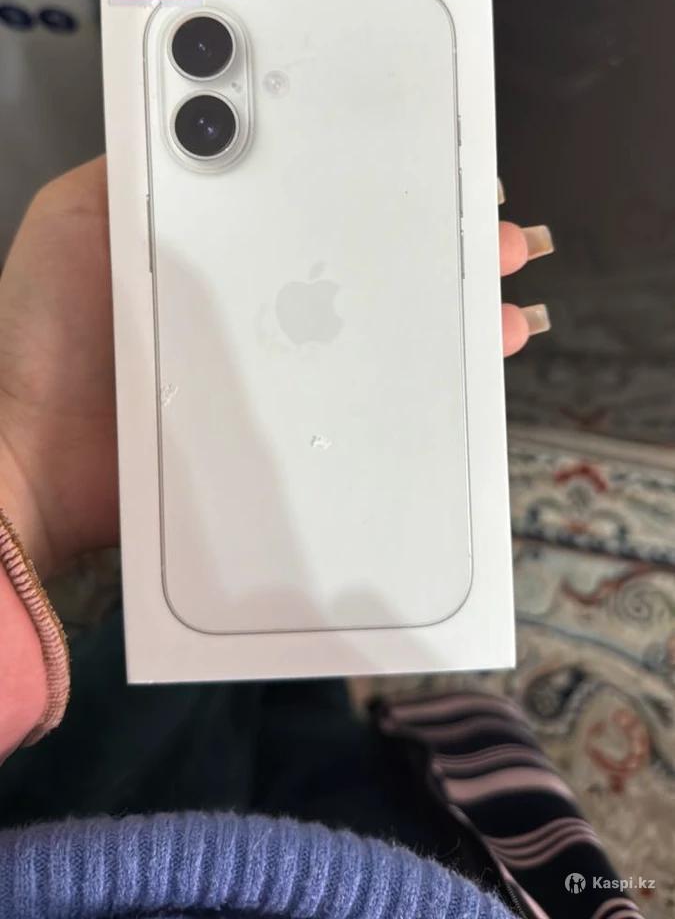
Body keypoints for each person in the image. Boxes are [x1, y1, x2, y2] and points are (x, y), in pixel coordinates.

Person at [0, 159, 629, 919]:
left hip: (73, 860)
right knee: (273, 687)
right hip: (401, 870)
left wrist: (26, 469)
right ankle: (291, 647)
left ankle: (279, 641)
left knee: (206, 668)